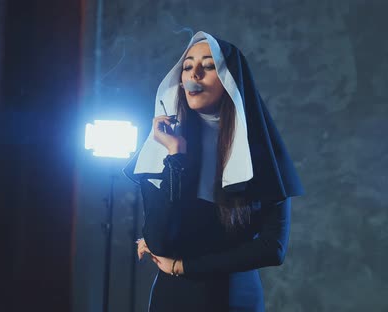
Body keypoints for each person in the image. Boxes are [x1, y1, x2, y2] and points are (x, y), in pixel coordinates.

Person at [122, 31, 304, 311]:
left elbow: (272, 248)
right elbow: (159, 240)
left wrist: (184, 266)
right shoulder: (168, 148)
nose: (194, 74)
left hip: (233, 298)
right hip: (173, 299)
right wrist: (175, 155)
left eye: (208, 66)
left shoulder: (261, 152)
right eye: (187, 66)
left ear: (229, 80)